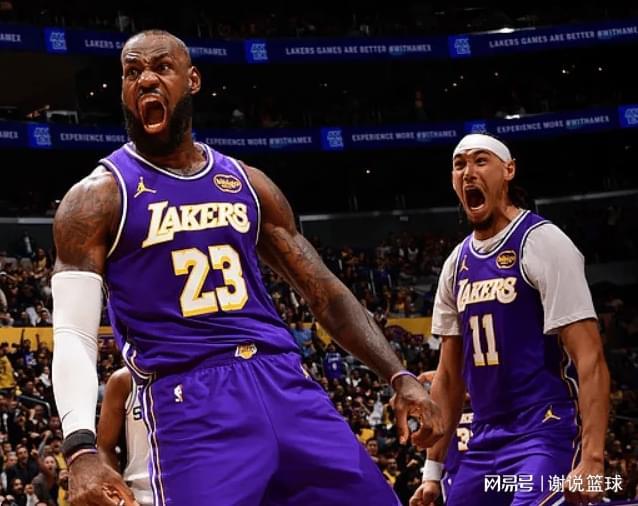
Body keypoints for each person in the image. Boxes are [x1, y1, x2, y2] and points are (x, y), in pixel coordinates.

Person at [51, 29, 443, 506]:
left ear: (192, 80)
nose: (146, 79)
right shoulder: (97, 197)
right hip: (190, 398)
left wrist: (399, 375)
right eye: (132, 72)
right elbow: (73, 334)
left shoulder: (246, 183)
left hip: (283, 379)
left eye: (161, 67)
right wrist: (79, 448)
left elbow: (324, 292)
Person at [410, 134, 610, 506]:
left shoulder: (543, 242)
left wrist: (593, 458)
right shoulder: (456, 264)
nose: (468, 172)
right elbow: (449, 376)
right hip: (486, 437)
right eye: (459, 165)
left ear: (509, 170)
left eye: (480, 161)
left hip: (545, 428)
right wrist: (432, 473)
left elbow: (590, 357)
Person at [97, 367, 152, 506]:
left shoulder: (199, 372)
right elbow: (104, 448)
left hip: (193, 491)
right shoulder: (123, 380)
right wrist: (121, 495)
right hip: (139, 496)